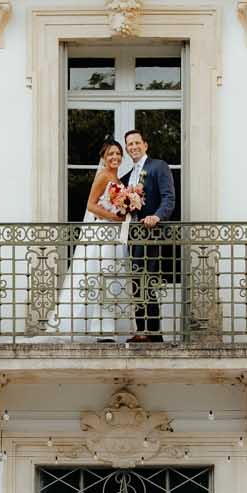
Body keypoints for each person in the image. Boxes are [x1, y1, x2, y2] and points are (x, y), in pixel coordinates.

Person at [38, 139, 132, 341]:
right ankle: (95, 327)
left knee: (111, 277)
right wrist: (114, 217)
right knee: (96, 276)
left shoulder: (120, 180)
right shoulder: (103, 176)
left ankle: (109, 326)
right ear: (104, 158)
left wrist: (126, 210)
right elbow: (91, 205)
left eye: (117, 154)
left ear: (122, 157)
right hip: (101, 232)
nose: (114, 157)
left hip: (114, 234)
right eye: (110, 154)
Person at [117, 128, 178, 342]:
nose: (133, 147)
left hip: (151, 233)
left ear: (145, 145)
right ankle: (144, 332)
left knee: (145, 281)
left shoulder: (158, 166)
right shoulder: (126, 177)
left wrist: (157, 217)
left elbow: (169, 198)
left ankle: (150, 334)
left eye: (136, 143)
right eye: (129, 144)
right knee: (137, 282)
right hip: (132, 236)